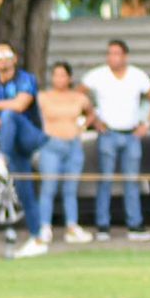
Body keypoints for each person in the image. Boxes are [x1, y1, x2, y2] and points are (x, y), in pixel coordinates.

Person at [80, 40, 150, 242]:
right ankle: (103, 225)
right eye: (109, 53)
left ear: (125, 56)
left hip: (131, 134)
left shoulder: (137, 75)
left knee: (131, 181)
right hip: (108, 133)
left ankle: (134, 224)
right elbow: (78, 94)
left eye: (116, 53)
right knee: (105, 180)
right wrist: (93, 119)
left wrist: (147, 123)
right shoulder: (97, 75)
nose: (112, 57)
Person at [0, 43, 49, 258]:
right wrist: (7, 124)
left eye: (7, 55)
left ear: (15, 58)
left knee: (10, 116)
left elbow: (19, 106)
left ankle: (2, 159)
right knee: (24, 190)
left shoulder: (26, 79)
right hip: (12, 141)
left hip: (30, 134)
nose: (3, 60)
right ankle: (37, 238)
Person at [37, 63, 93, 244]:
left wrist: (83, 126)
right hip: (51, 144)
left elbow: (91, 114)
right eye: (56, 75)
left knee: (71, 188)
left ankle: (71, 226)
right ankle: (44, 226)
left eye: (63, 75)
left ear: (69, 78)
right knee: (49, 187)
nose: (59, 79)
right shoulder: (43, 97)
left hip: (73, 145)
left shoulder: (79, 98)